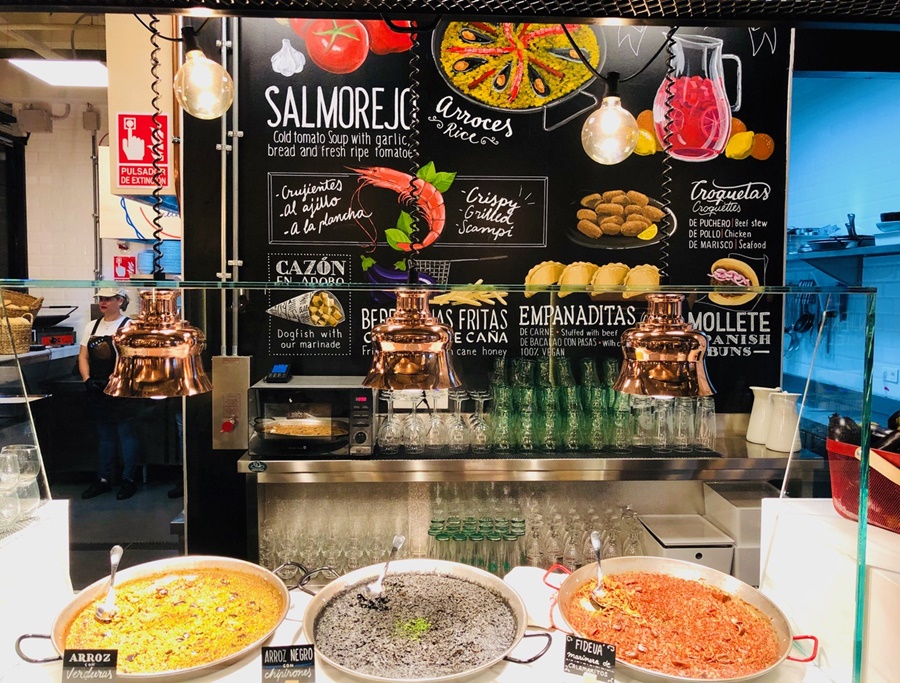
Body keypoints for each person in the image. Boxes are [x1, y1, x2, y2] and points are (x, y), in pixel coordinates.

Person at [79, 288, 142, 500]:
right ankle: (103, 479)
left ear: (120, 301)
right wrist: (87, 379)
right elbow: (83, 356)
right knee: (105, 436)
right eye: (101, 299)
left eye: (108, 299)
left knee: (126, 435)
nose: (103, 302)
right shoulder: (92, 326)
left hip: (122, 388)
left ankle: (128, 480)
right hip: (97, 388)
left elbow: (133, 358)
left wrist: (116, 378)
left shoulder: (130, 326)